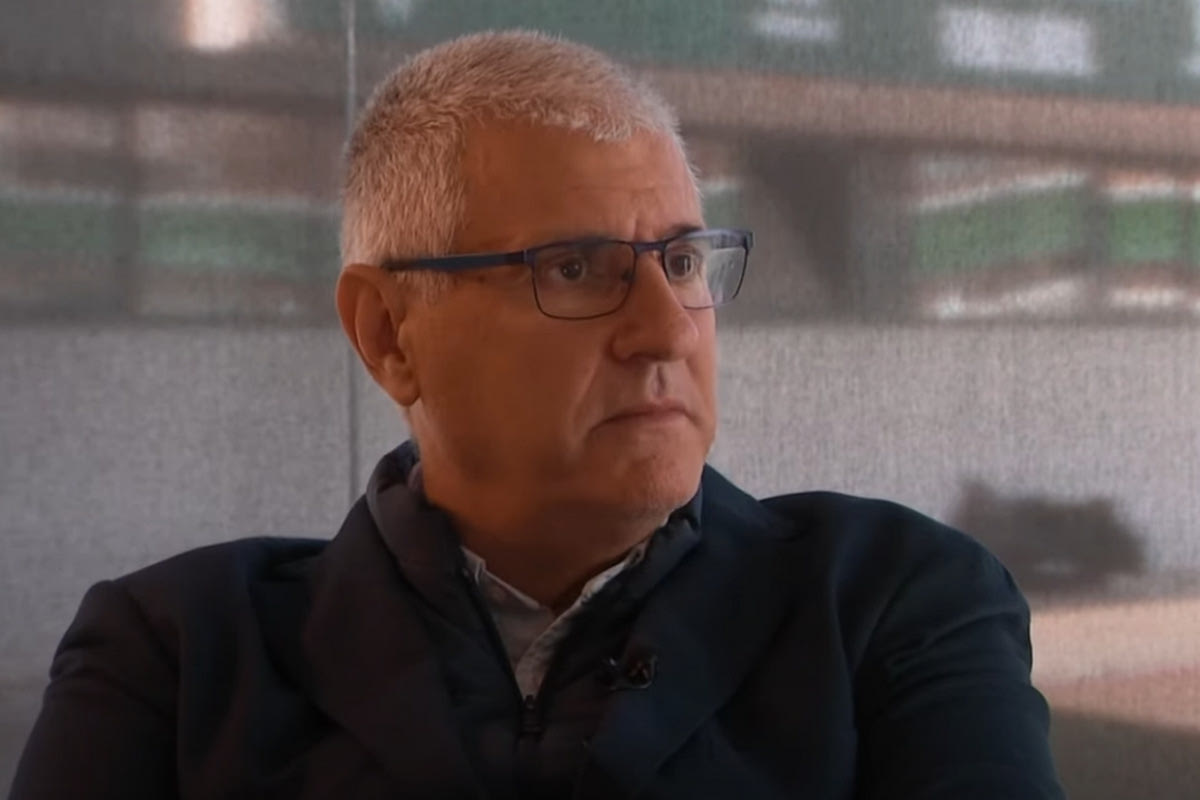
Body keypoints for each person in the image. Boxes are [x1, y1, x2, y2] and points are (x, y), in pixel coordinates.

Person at [11, 30, 1064, 799]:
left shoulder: (893, 604)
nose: (667, 330)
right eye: (575, 267)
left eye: (682, 261)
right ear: (389, 332)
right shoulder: (177, 656)